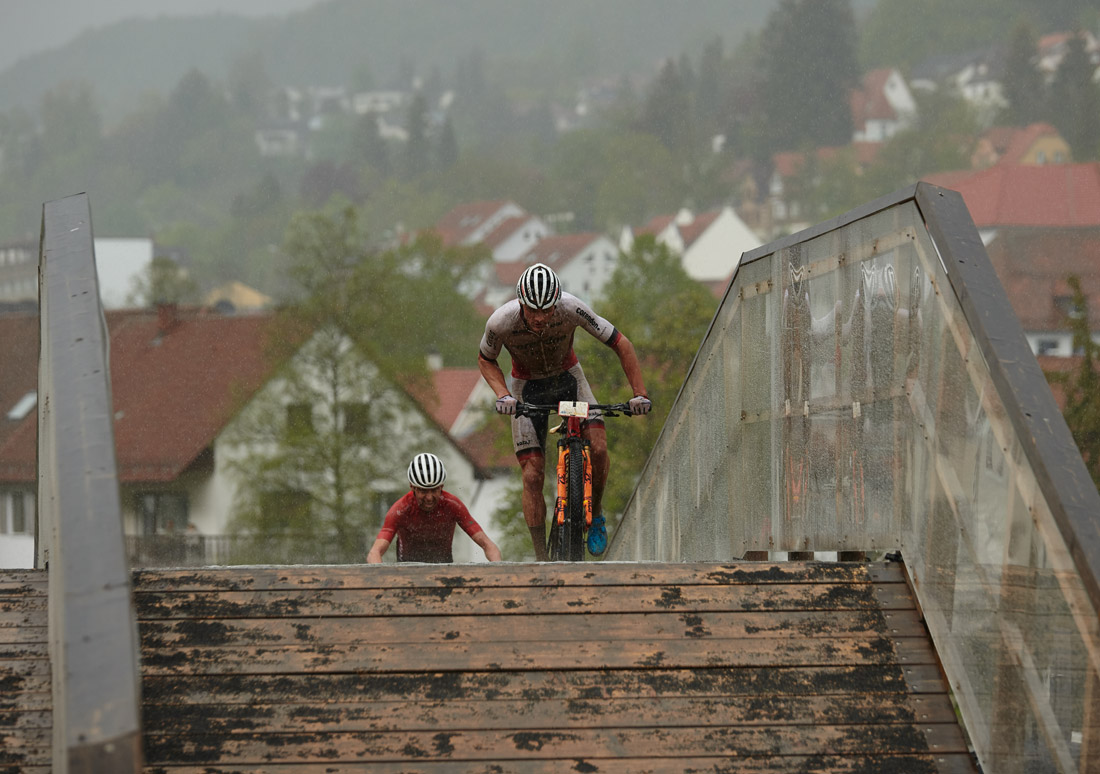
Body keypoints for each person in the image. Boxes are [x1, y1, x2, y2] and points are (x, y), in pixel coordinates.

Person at [478, 262, 651, 561]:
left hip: (568, 380)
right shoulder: (500, 322)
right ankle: (541, 558)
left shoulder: (573, 308)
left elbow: (622, 344)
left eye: (547, 310)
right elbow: (485, 359)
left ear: (557, 302)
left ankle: (595, 515)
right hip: (525, 387)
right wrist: (503, 394)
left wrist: (639, 394)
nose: (540, 317)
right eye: (533, 310)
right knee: (532, 475)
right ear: (521, 302)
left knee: (597, 447)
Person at [367, 452, 502, 564]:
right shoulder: (400, 510)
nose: (429, 498)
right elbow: (374, 553)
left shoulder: (453, 505)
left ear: (442, 486)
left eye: (434, 490)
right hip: (407, 572)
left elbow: (488, 545)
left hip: (444, 570)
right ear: (412, 487)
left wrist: (499, 573)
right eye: (423, 491)